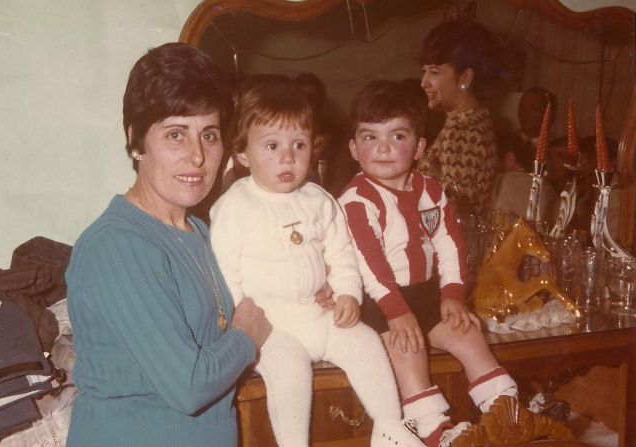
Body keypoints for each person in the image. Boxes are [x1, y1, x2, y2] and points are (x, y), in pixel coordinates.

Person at [65, 43, 274, 446]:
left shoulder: (202, 231)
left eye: (209, 135)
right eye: (176, 135)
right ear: (135, 142)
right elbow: (189, 385)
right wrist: (246, 337)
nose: (197, 156)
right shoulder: (116, 245)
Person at [210, 82, 424, 447]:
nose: (288, 158)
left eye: (299, 145)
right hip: (271, 326)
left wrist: (347, 294)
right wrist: (240, 320)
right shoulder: (235, 206)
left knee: (366, 341)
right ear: (243, 154)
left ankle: (389, 427)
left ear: (314, 146)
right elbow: (225, 270)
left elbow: (342, 252)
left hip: (317, 314)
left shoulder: (319, 199)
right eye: (272, 146)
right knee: (290, 374)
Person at [339, 80, 518, 447]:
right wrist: (396, 313)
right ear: (354, 148)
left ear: (420, 147)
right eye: (370, 138)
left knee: (468, 333)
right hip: (379, 301)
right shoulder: (357, 200)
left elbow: (450, 244)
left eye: (398, 136)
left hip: (426, 293)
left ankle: (506, 412)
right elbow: (370, 264)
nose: (384, 148)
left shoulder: (431, 190)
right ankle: (434, 429)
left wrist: (453, 296)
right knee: (409, 349)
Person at [416, 19, 504, 218]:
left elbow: (454, 214)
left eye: (434, 72)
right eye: (424, 71)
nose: (424, 82)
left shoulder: (463, 131)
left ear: (465, 78)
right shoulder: (473, 119)